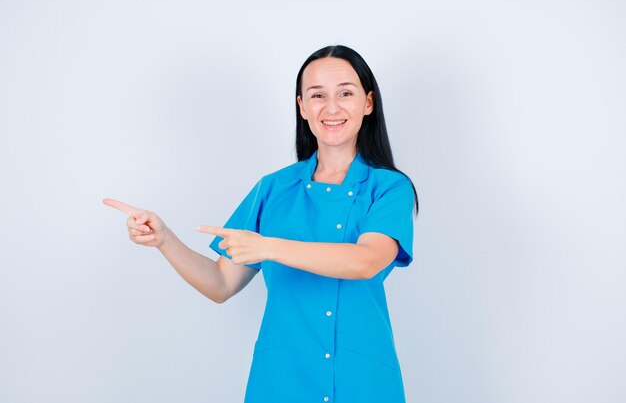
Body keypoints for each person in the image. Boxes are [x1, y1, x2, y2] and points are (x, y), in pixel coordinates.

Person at [104, 44, 418, 403]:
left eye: (345, 93)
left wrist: (268, 246)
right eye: (317, 95)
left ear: (368, 102)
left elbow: (366, 261)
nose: (331, 107)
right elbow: (221, 283)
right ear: (302, 106)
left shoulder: (390, 188)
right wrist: (164, 239)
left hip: (362, 381)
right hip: (282, 380)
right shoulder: (274, 189)